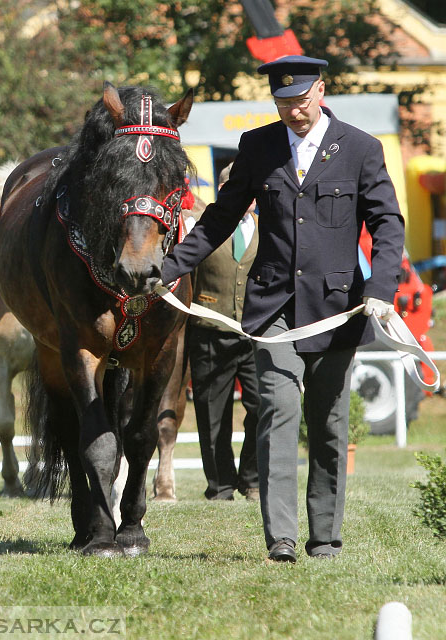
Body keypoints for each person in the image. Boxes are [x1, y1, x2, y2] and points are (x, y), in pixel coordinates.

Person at [161, 56, 405, 562]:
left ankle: (326, 538)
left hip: (338, 309)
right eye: (282, 103)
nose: (292, 112)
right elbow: (218, 220)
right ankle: (283, 539)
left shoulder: (361, 149)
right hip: (271, 310)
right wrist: (164, 271)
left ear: (320, 90)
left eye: (299, 101)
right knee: (277, 411)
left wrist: (381, 287)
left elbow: (387, 224)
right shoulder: (258, 147)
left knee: (330, 426)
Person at [185, 163, 261, 502]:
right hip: (210, 331)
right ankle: (220, 485)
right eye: (232, 188)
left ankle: (253, 479)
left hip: (257, 334)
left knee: (263, 406)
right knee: (212, 413)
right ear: (221, 190)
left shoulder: (270, 228)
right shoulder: (204, 228)